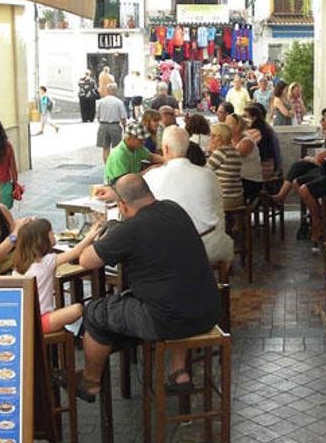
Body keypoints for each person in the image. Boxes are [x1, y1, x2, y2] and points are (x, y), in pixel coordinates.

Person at [77, 174, 221, 401]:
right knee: (174, 290)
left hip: (165, 320)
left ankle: (90, 383)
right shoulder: (174, 209)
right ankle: (178, 371)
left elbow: (86, 260)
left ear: (122, 205)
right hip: (208, 309)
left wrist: (100, 236)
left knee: (95, 312)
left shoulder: (129, 230)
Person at [107, 126, 233, 264]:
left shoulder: (152, 177)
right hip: (211, 246)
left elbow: (132, 208)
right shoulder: (208, 175)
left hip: (171, 251)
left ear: (165, 149)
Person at [272, 109, 326, 241]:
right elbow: (323, 156)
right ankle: (321, 215)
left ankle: (318, 223)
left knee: (305, 189)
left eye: (324, 120)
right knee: (297, 182)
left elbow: (323, 157)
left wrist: (317, 158)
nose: (321, 122)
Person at [12, 218, 97, 333]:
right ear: (43, 239)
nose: (54, 234)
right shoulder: (46, 262)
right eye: (51, 232)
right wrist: (91, 235)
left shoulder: (20, 264)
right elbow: (75, 252)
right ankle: (83, 335)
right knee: (77, 309)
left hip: (23, 319)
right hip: (40, 322)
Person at [103, 120, 163, 184]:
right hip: (116, 187)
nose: (143, 142)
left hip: (129, 183)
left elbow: (152, 157)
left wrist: (169, 160)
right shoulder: (119, 154)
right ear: (129, 138)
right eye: (140, 140)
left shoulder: (137, 148)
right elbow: (125, 181)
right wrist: (148, 171)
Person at [225, 112, 263, 200]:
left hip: (250, 181)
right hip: (238, 180)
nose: (225, 127)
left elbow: (231, 158)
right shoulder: (230, 141)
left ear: (237, 126)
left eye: (228, 125)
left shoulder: (247, 141)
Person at [207, 123, 244, 210]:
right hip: (238, 197)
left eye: (213, 135)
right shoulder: (234, 151)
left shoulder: (221, 152)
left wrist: (210, 151)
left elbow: (206, 172)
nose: (210, 138)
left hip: (224, 198)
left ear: (221, 137)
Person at [243, 102, 279, 179]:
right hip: (266, 165)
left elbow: (241, 150)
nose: (243, 119)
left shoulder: (255, 132)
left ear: (254, 118)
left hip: (263, 168)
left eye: (245, 116)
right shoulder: (264, 128)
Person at [96, 83, 128, 163]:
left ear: (107, 91)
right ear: (115, 91)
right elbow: (123, 118)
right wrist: (124, 128)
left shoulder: (101, 102)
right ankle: (115, 165)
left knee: (105, 148)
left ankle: (107, 166)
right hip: (115, 126)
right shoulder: (119, 102)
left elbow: (98, 116)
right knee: (117, 148)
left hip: (103, 125)